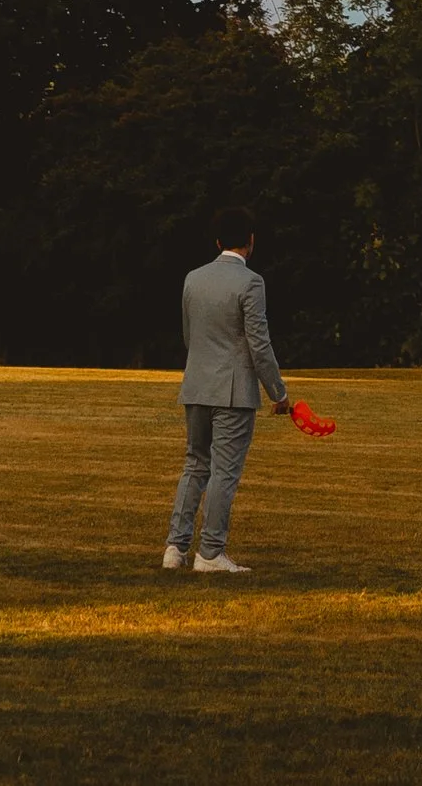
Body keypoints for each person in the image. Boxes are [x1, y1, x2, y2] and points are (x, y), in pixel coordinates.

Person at [163, 211, 293, 573]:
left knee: (195, 465)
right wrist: (278, 392)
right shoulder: (251, 283)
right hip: (233, 391)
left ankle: (176, 547)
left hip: (197, 384)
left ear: (217, 242)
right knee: (224, 472)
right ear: (250, 241)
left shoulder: (193, 279)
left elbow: (190, 337)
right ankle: (211, 552)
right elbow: (259, 344)